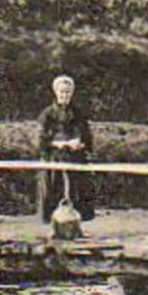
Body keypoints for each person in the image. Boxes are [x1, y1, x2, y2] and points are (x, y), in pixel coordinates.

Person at [37, 75, 95, 221]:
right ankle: (53, 221)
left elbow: (86, 135)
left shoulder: (78, 113)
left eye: (68, 92)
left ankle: (76, 222)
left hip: (75, 157)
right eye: (62, 92)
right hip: (54, 157)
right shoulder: (47, 114)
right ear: (56, 92)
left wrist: (80, 143)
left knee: (78, 189)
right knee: (53, 188)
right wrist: (58, 144)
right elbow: (42, 139)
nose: (65, 95)